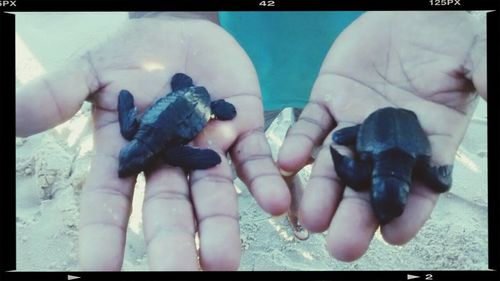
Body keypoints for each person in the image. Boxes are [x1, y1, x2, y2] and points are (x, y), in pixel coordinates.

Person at [15, 11, 486, 270]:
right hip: (234, 62)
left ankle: (296, 178)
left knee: (321, 138)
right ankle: (290, 182)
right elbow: (191, 149)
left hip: (360, 67)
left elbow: (189, 149)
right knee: (261, 138)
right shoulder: (153, 136)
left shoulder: (141, 136)